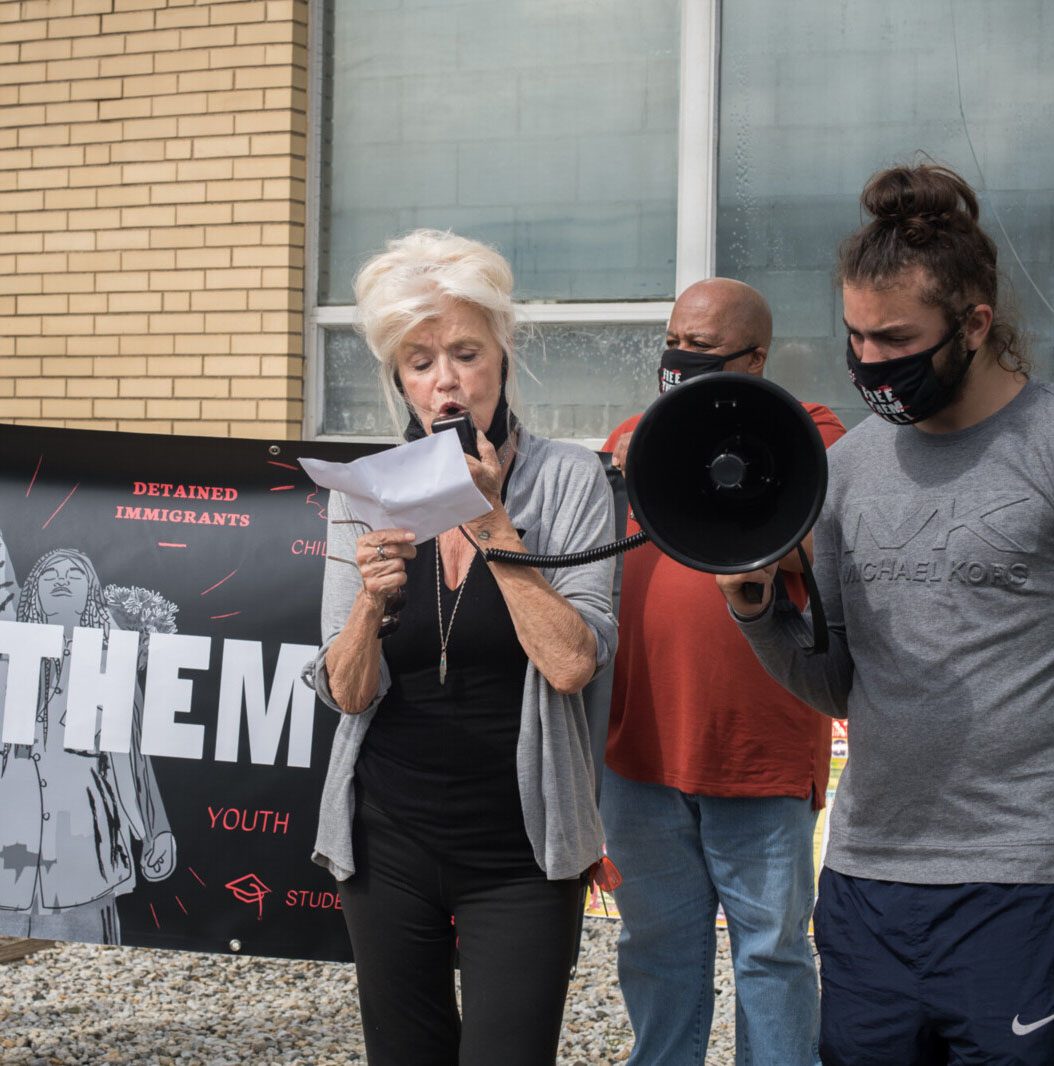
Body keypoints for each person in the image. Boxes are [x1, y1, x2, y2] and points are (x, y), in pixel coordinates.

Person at [717, 163, 1054, 1066]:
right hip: (868, 881)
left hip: (1021, 881)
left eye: (895, 338)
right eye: (856, 338)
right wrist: (757, 612)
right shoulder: (852, 467)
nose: (869, 363)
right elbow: (837, 687)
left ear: (975, 324)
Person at [305, 229, 618, 1066]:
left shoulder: (570, 480)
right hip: (389, 840)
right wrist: (372, 605)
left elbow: (572, 663)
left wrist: (487, 520)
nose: (445, 380)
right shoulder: (368, 492)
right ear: (398, 381)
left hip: (520, 848)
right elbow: (346, 692)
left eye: (466, 352)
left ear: (504, 355)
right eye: (419, 361)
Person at [601, 278, 845, 1066]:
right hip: (640, 758)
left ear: (755, 358)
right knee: (656, 954)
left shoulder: (806, 432)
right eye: (673, 341)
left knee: (771, 957)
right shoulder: (631, 438)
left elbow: (838, 547)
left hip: (759, 759)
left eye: (700, 349)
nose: (678, 359)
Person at [0, 547, 176, 943]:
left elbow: (135, 755)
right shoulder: (7, 659)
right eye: (50, 576)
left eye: (74, 575)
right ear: (33, 594)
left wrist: (157, 831)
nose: (61, 580)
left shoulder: (111, 662)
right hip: (9, 845)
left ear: (90, 596)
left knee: (90, 943)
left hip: (86, 850)